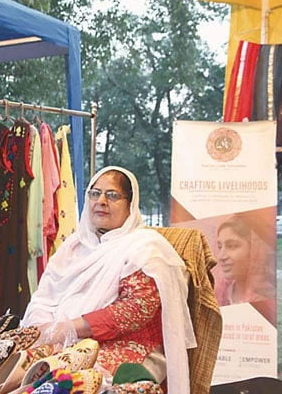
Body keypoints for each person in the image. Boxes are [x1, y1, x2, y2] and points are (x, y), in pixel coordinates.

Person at [22, 166, 196, 394]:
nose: (101, 201)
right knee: (13, 370)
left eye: (112, 195)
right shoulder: (74, 246)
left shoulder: (146, 247)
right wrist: (45, 329)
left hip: (126, 344)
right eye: (95, 193)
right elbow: (44, 297)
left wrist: (69, 328)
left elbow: (136, 308)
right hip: (62, 340)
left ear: (130, 204)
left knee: (70, 383)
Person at [215, 215, 276, 306]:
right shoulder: (219, 294)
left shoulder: (269, 299)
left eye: (232, 246)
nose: (221, 256)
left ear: (254, 250)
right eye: (220, 247)